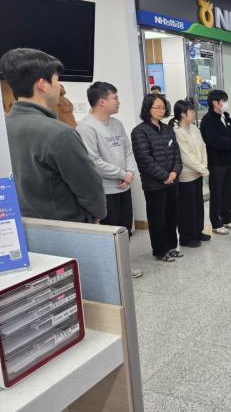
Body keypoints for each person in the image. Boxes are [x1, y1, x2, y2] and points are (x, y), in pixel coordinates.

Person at [0, 48, 105, 223]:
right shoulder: (59, 134)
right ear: (42, 84)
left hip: (20, 227)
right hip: (65, 228)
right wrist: (95, 216)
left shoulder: (4, 127)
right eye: (57, 80)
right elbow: (89, 189)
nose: (59, 87)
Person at [76, 81, 142, 278]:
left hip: (124, 187)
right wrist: (122, 174)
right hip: (105, 191)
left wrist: (130, 173)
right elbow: (93, 161)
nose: (118, 102)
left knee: (125, 230)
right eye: (115, 98)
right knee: (109, 233)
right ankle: (112, 272)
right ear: (102, 101)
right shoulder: (86, 127)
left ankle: (124, 266)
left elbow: (128, 150)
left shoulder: (117, 124)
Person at [131, 94, 183, 262]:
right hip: (154, 184)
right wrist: (165, 176)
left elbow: (177, 154)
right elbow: (144, 160)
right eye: (158, 107)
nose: (162, 110)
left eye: (163, 107)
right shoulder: (139, 131)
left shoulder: (168, 129)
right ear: (148, 109)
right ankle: (160, 251)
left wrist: (174, 172)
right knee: (157, 218)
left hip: (172, 181)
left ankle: (171, 246)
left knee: (172, 216)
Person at [200, 89, 231, 235]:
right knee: (217, 193)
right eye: (224, 101)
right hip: (216, 162)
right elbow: (214, 141)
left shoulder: (226, 117)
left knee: (227, 192)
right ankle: (216, 223)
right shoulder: (207, 120)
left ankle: (227, 218)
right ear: (215, 103)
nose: (226, 104)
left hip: (228, 160)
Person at [170, 99, 211, 248]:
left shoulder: (194, 128)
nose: (194, 114)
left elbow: (203, 147)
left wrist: (203, 166)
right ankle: (186, 237)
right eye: (191, 111)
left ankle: (197, 231)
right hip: (186, 175)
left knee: (198, 205)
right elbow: (185, 156)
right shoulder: (177, 132)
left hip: (198, 172)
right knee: (187, 208)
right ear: (182, 114)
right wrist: (202, 168)